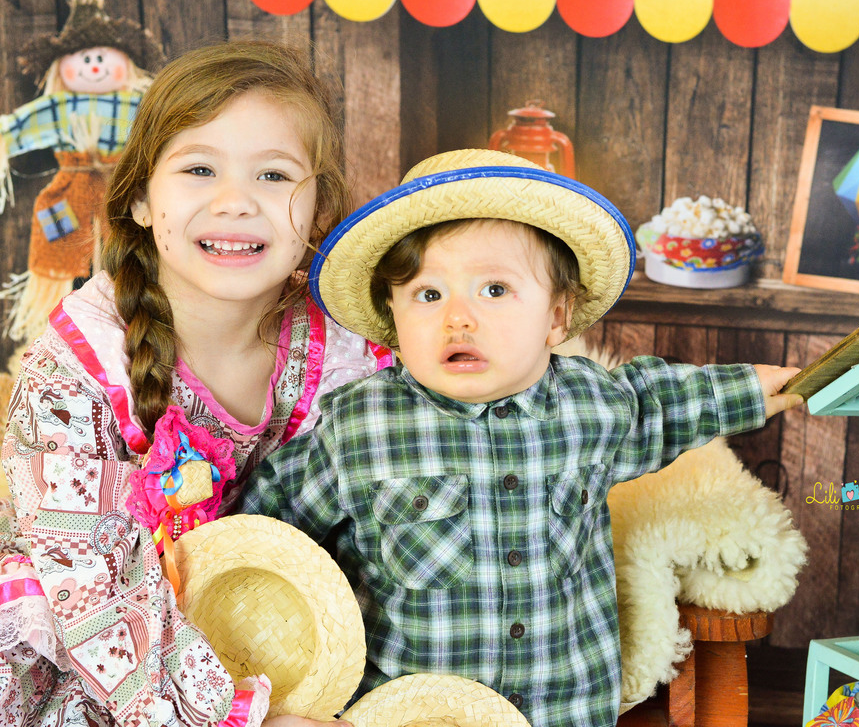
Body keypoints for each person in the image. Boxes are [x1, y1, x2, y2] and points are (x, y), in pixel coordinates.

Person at [241, 148, 804, 727]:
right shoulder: (360, 425)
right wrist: (296, 692)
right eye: (428, 295)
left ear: (556, 317)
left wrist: (759, 388)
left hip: (565, 707)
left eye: (494, 291)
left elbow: (667, 404)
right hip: (412, 713)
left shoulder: (591, 405)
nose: (457, 318)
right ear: (394, 316)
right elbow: (271, 532)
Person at [0, 40, 392, 727]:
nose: (236, 202)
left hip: (268, 626)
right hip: (103, 648)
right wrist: (236, 717)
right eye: (200, 169)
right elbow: (86, 586)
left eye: (273, 176)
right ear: (144, 201)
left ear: (319, 209)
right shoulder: (79, 365)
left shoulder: (348, 349)